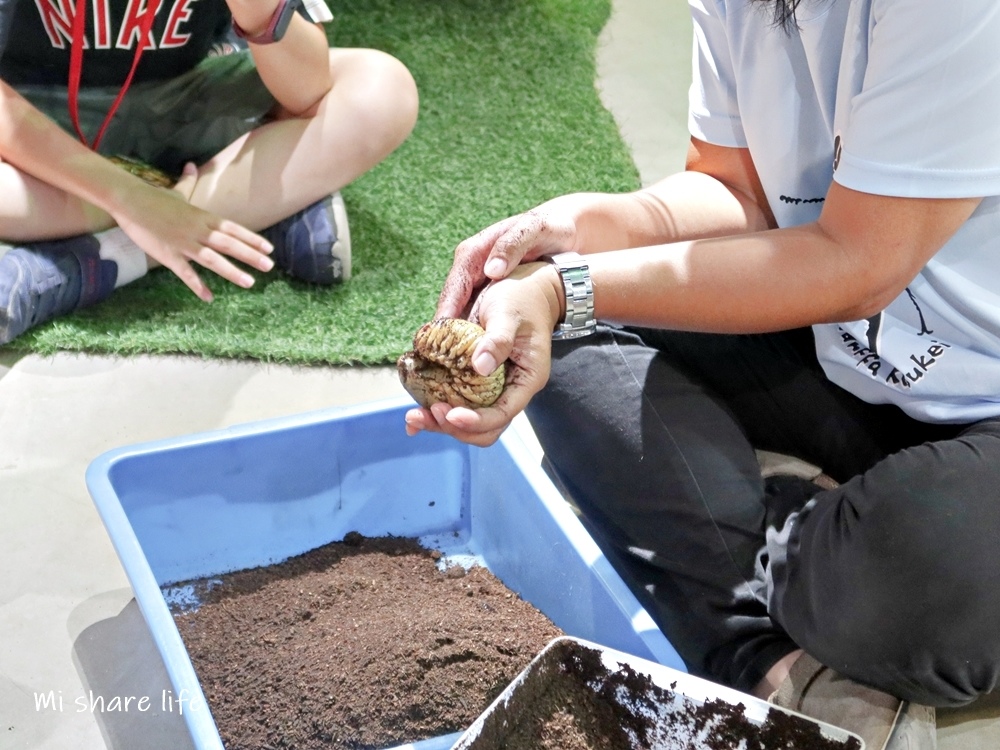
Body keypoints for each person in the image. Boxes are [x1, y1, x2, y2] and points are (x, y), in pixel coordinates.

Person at [404, 0, 1000, 747]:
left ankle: (768, 524)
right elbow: (736, 192)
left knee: (928, 589)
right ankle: (770, 650)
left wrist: (572, 284)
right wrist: (579, 233)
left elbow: (862, 264)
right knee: (560, 338)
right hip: (843, 355)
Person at [0, 0, 418, 344]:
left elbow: (307, 90)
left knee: (382, 92)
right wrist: (127, 195)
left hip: (192, 104)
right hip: (37, 121)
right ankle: (259, 210)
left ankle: (81, 264)